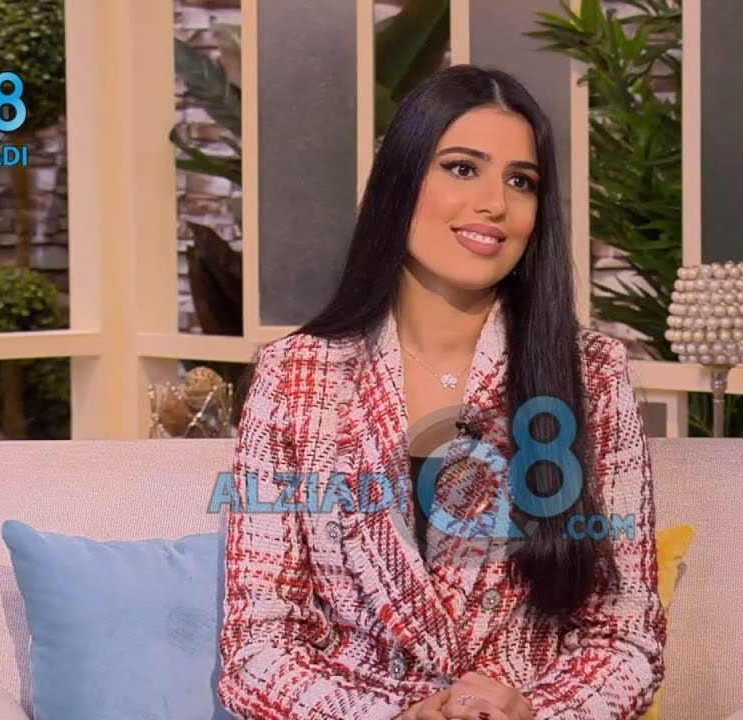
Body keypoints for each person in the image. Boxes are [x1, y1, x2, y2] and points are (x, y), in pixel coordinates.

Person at [217, 64, 666, 720]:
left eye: (521, 181)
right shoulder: (295, 375)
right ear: (401, 182)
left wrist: (532, 713)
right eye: (462, 168)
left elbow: (627, 636)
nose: (495, 203)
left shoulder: (592, 373)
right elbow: (258, 646)